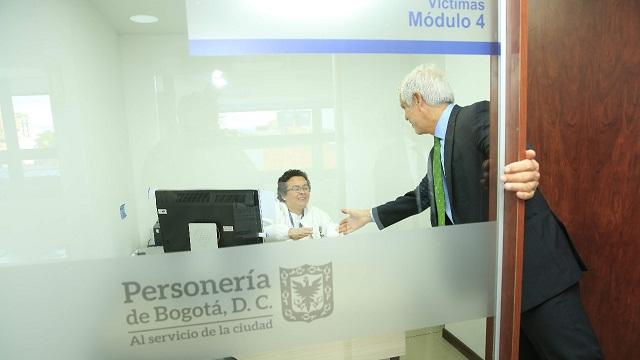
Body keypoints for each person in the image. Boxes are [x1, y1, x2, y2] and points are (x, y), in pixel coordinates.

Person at [340, 64, 602, 359]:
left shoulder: (473, 117)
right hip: (504, 282)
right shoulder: (436, 151)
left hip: (537, 273)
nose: (405, 117)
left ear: (418, 100)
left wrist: (523, 167)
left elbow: (508, 149)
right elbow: (422, 195)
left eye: (404, 108)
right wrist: (370, 215)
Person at [264, 169, 339, 242]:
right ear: (283, 194)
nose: (302, 192)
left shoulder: (316, 213)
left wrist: (343, 229)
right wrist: (288, 233)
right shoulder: (274, 209)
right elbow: (263, 232)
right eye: (296, 189)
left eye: (305, 188)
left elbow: (331, 229)